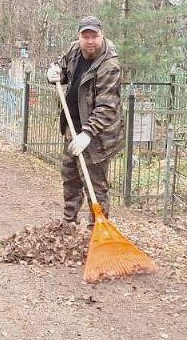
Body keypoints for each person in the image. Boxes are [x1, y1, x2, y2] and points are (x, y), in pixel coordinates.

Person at [46, 16, 123, 226]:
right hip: (73, 126)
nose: (90, 41)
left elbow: (107, 107)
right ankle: (69, 222)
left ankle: (97, 228)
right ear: (79, 36)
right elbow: (62, 69)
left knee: (95, 186)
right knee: (70, 177)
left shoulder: (109, 65)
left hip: (97, 135)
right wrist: (54, 73)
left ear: (102, 35)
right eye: (85, 36)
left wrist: (87, 133)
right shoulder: (74, 50)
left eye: (94, 36)